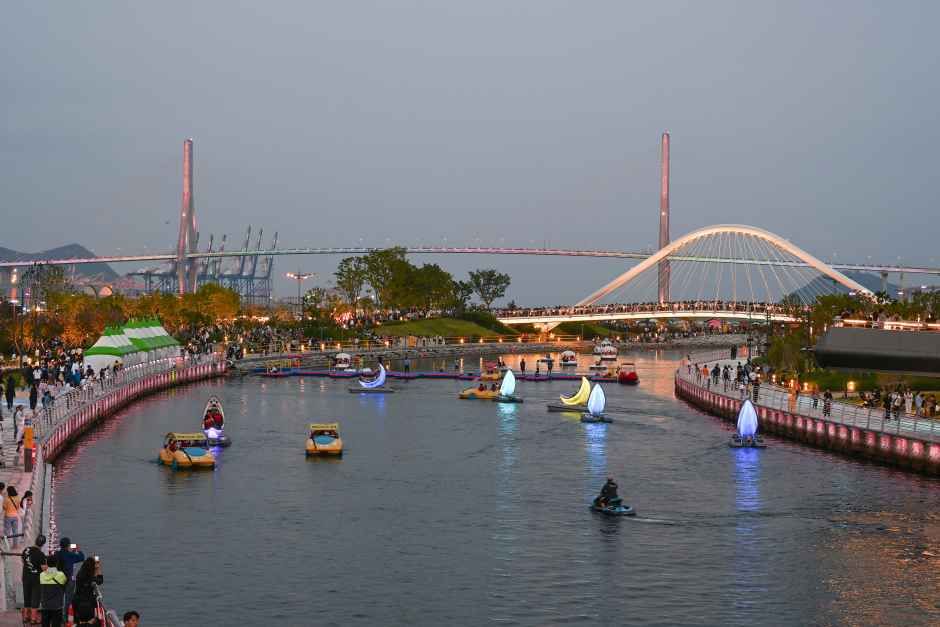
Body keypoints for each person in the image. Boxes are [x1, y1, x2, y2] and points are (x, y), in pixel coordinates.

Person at [22, 534, 46, 625]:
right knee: (35, 598)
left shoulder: (26, 550)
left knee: (26, 597)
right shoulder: (41, 555)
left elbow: (23, 560)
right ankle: (33, 619)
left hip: (25, 577)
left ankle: (25, 617)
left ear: (35, 541)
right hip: (36, 579)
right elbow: (44, 569)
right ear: (43, 544)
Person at [71, 557, 104, 625]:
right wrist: (98, 569)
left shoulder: (80, 573)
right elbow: (100, 581)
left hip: (77, 600)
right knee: (89, 622)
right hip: (87, 602)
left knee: (78, 622)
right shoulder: (90, 577)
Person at [39, 555, 67, 627]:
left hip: (45, 605)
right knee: (56, 624)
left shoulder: (41, 575)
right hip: (57, 606)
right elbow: (65, 582)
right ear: (57, 563)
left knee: (45, 624)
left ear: (47, 563)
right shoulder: (61, 575)